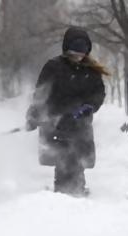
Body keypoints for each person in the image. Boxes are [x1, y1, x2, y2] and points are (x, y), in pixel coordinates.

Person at [25, 27, 109, 196]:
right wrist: (33, 115)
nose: (78, 57)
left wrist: (88, 106)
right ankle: (64, 193)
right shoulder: (53, 67)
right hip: (57, 124)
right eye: (74, 53)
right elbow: (41, 93)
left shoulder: (91, 71)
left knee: (77, 159)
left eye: (81, 53)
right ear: (66, 50)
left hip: (80, 124)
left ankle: (77, 190)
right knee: (63, 158)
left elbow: (98, 93)